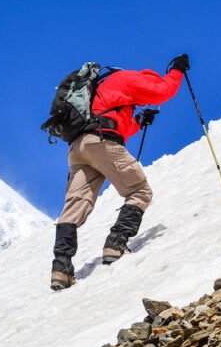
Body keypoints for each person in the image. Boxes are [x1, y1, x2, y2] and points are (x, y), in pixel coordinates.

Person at [50, 54, 188, 291]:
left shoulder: (97, 90)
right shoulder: (128, 78)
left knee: (75, 206)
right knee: (140, 191)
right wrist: (177, 71)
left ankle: (61, 269)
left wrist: (137, 122)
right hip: (101, 142)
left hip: (78, 149)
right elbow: (163, 91)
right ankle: (115, 243)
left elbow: (109, 123)